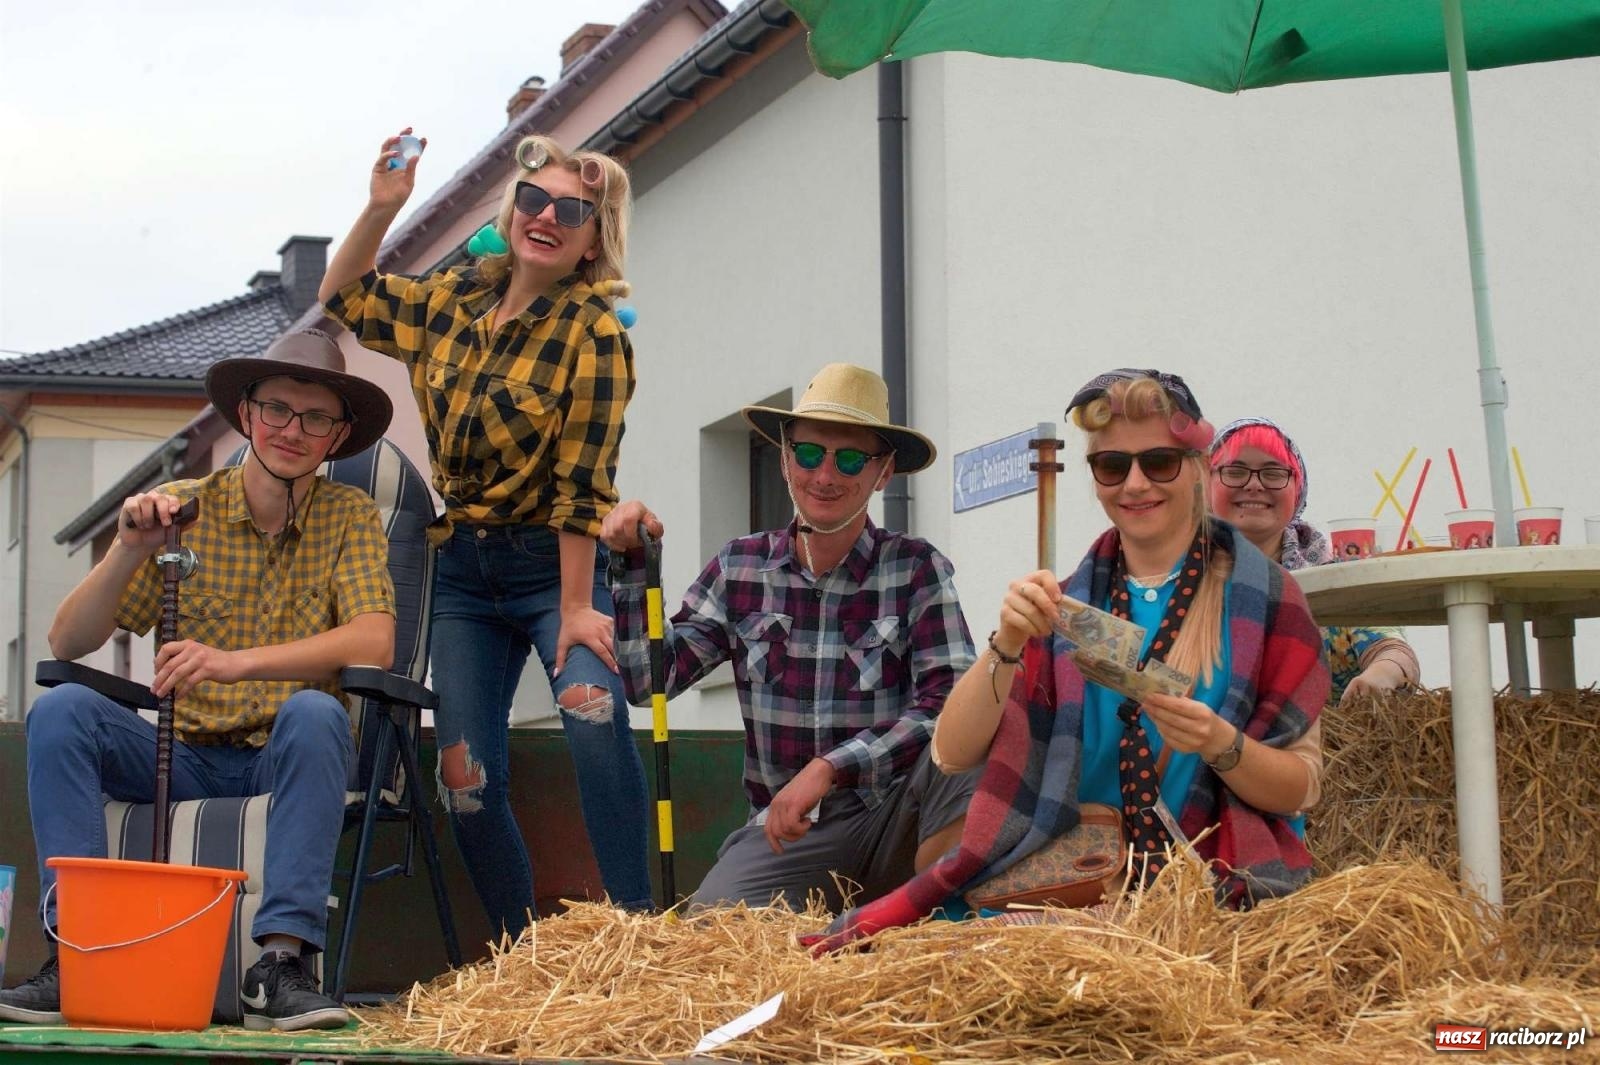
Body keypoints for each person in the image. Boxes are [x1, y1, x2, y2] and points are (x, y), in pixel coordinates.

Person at [804, 369, 1330, 952]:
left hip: (1215, 889)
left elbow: (1300, 788)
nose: (1134, 484)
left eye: (1158, 462)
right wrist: (1006, 642)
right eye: (1111, 466)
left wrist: (1221, 745)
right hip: (1079, 882)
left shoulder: (1267, 598)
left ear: (1199, 466)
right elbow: (952, 754)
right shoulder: (1069, 607)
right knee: (918, 958)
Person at [0, 331, 396, 1030]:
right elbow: (68, 639)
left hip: (284, 758)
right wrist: (128, 548)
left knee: (317, 713)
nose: (292, 430)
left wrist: (234, 659)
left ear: (338, 435)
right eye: (277, 408)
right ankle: (76, 952)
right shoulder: (181, 508)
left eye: (316, 418)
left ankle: (280, 966)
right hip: (180, 754)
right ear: (245, 414)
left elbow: (375, 640)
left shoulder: (351, 515)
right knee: (61, 710)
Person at [319, 130, 652, 934]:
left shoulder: (596, 334)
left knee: (593, 711)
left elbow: (583, 484)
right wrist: (381, 207)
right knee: (463, 776)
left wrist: (579, 607)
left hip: (552, 566)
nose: (546, 216)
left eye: (572, 210)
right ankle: (519, 955)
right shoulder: (455, 298)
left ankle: (642, 933)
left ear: (591, 240)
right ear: (511, 210)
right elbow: (347, 300)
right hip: (462, 573)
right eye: (533, 199)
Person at [600, 363, 980, 912]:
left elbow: (951, 706)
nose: (825, 475)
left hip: (901, 814)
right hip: (791, 833)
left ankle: (944, 917)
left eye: (850, 458)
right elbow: (648, 682)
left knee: (981, 745)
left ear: (884, 473)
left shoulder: (917, 569)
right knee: (710, 935)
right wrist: (634, 565)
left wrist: (830, 767)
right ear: (783, 459)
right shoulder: (739, 567)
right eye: (809, 454)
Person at [1208, 417, 1420, 705]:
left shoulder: (1332, 579)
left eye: (1273, 473)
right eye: (1235, 471)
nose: (1254, 484)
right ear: (1206, 486)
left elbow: (1393, 650)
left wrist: (1380, 676)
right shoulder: (1175, 575)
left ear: (1298, 489)